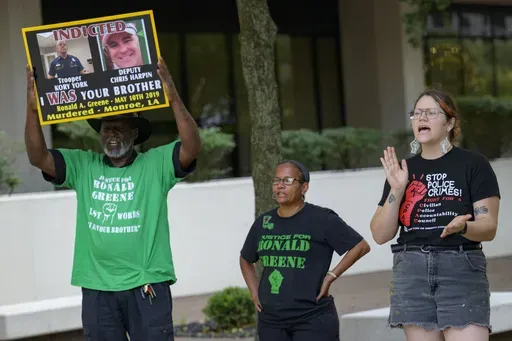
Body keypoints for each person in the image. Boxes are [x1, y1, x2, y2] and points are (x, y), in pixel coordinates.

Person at [24, 56, 201, 341]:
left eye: (120, 128)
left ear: (135, 133)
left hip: (147, 284)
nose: (113, 134)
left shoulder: (154, 165)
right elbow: (38, 157)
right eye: (107, 128)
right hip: (97, 287)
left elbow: (191, 148)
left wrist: (173, 98)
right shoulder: (83, 166)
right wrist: (33, 109)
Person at [370, 89, 501, 341]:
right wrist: (396, 189)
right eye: (417, 113)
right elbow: (379, 234)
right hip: (411, 269)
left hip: (460, 267)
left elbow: (488, 226)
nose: (422, 118)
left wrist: (464, 227)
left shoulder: (474, 164)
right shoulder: (403, 170)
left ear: (450, 122)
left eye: (431, 113)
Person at [240, 160, 371, 341]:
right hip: (271, 321)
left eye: (287, 180)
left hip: (312, 318)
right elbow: (246, 258)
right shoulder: (264, 222)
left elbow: (360, 246)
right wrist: (255, 292)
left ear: (304, 187)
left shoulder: (322, 219)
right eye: (276, 180)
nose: (279, 186)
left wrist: (331, 276)